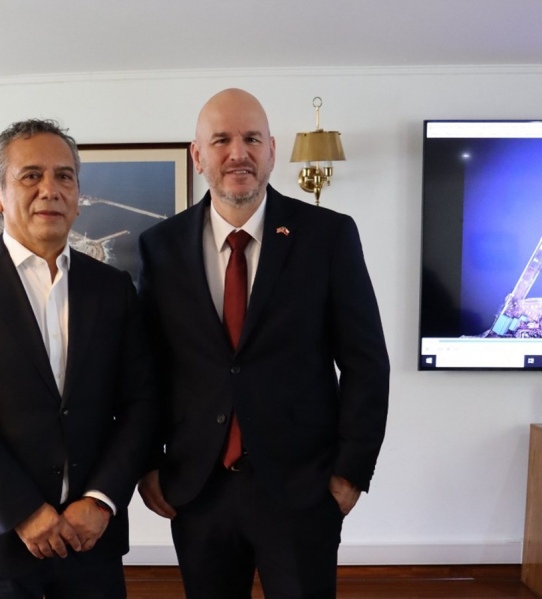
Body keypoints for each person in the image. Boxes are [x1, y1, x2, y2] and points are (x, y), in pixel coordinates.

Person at [136, 89, 390, 598]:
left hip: (303, 489)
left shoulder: (328, 236)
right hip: (198, 489)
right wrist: (148, 464)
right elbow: (146, 369)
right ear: (198, 155)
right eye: (222, 140)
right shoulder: (160, 247)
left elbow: (366, 362)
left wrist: (350, 473)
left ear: (271, 151)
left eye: (252, 139)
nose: (239, 153)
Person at [0, 119, 157, 599]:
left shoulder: (112, 289)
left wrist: (101, 500)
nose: (50, 189)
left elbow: (142, 404)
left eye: (64, 176)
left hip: (90, 541)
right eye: (31, 175)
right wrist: (24, 511)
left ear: (77, 194)